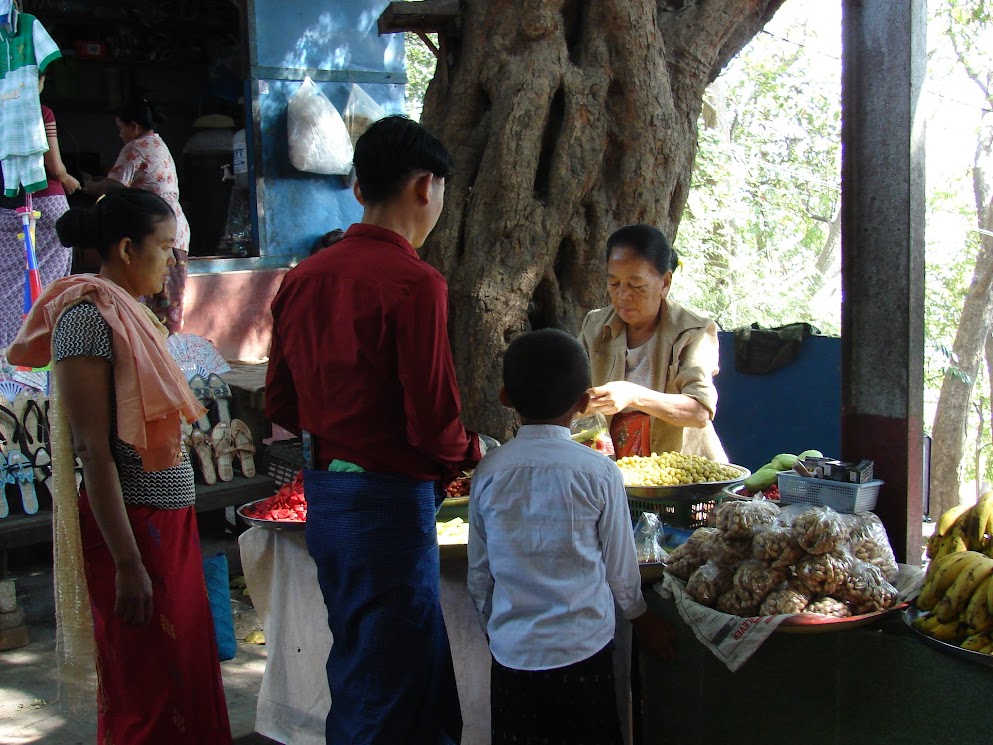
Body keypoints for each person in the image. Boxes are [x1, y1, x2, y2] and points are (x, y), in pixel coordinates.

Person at [265, 115, 483, 744]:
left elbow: (281, 399)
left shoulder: (303, 279)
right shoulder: (417, 283)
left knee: (372, 662)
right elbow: (434, 423)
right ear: (426, 187)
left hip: (327, 498)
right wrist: (475, 453)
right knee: (392, 685)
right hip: (388, 504)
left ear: (359, 189)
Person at [7, 189, 232, 744]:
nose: (174, 263)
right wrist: (128, 564)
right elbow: (93, 450)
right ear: (128, 249)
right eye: (165, 249)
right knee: (149, 685)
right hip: (131, 528)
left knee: (186, 674)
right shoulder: (85, 318)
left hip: (166, 523)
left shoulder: (131, 313)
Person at [467, 328, 675, 745]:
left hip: (514, 658)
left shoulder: (488, 473)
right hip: (584, 652)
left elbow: (479, 573)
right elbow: (620, 566)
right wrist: (643, 619)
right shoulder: (599, 473)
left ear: (505, 397)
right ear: (583, 403)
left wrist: (497, 628)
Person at [579, 224, 727, 461]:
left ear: (665, 283)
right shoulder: (595, 326)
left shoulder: (693, 331)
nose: (623, 295)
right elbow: (574, 396)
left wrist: (632, 395)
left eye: (637, 285)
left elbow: (699, 412)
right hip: (614, 472)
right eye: (614, 283)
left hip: (681, 478)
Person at [85, 97, 191, 334]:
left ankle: (158, 354)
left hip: (155, 230)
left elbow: (113, 186)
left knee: (155, 307)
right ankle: (166, 354)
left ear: (134, 126)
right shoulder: (158, 144)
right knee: (168, 306)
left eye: (121, 128)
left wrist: (87, 185)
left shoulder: (136, 147)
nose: (120, 134)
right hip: (175, 230)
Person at [0, 74, 78, 349]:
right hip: (46, 205)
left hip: (7, 208)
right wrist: (67, 177)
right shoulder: (41, 112)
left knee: (7, 284)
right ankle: (39, 348)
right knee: (47, 286)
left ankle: (8, 351)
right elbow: (53, 166)